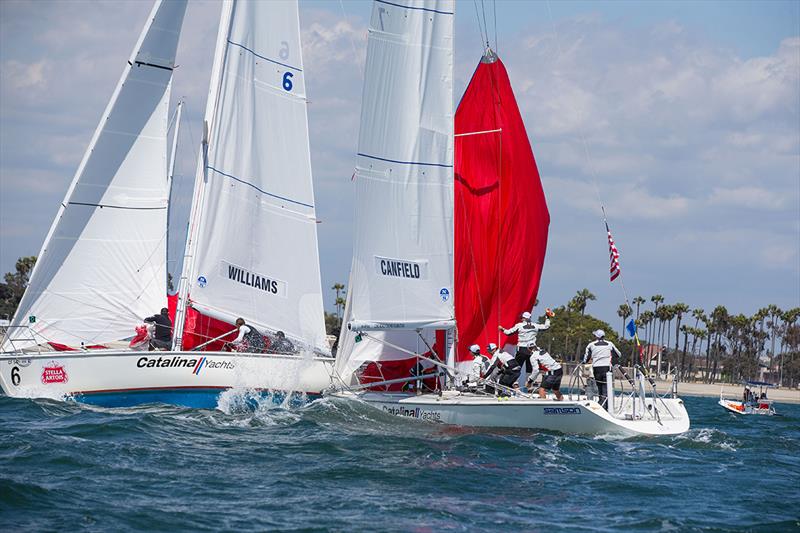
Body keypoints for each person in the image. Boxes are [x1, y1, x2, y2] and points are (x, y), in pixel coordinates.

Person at [498, 309, 553, 376]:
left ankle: (515, 383)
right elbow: (546, 327)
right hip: (532, 349)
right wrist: (547, 318)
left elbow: (508, 333)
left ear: (523, 318)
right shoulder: (535, 325)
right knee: (530, 367)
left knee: (517, 367)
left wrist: (502, 329)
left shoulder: (519, 325)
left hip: (522, 349)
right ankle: (529, 383)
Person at [582, 329, 621, 409]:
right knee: (606, 388)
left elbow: (585, 359)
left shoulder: (591, 345)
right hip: (607, 368)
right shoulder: (610, 344)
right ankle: (605, 406)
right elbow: (618, 354)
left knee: (600, 387)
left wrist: (583, 362)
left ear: (596, 336)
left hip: (596, 369)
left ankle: (602, 404)